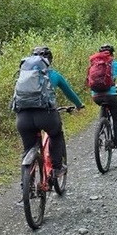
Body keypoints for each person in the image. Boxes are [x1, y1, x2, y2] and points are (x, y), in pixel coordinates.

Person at [13, 46, 85, 179]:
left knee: (28, 149)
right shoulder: (54, 75)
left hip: (23, 118)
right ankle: (57, 168)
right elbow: (69, 93)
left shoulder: (23, 76)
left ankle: (26, 187)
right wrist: (79, 105)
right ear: (49, 61)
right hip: (46, 115)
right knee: (56, 134)